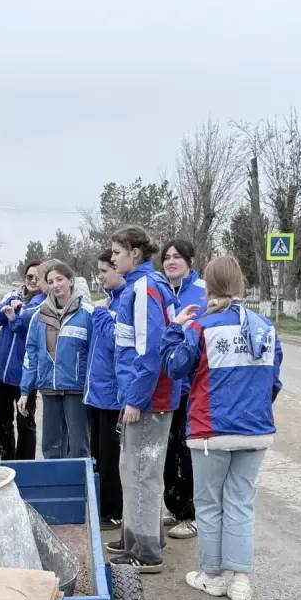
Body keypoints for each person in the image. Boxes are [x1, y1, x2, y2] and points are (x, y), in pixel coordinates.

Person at [161, 255, 283, 600]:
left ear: (208, 286)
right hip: (255, 431)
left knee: (210, 505)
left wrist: (175, 327)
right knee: (242, 503)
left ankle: (212, 576)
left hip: (210, 432)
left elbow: (174, 367)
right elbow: (273, 382)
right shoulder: (264, 326)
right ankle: (241, 579)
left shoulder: (201, 326)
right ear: (240, 283)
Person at [107, 225, 180, 574]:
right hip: (145, 394)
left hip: (148, 397)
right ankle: (137, 535)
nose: (112, 258)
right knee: (136, 469)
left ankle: (146, 552)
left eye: (117, 253)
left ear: (135, 252)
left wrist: (135, 398)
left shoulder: (145, 286)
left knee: (141, 472)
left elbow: (148, 350)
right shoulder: (148, 285)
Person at [160, 239, 208, 541]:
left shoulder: (201, 292)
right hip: (167, 385)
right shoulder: (164, 290)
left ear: (190, 261)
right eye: (166, 257)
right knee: (168, 448)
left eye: (177, 257)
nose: (170, 261)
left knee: (186, 450)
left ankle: (190, 513)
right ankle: (173, 504)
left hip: (191, 384)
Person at [20, 261, 91, 459]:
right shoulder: (38, 316)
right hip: (49, 389)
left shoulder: (88, 315)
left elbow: (95, 356)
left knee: (79, 446)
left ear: (71, 281)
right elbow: (31, 354)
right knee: (51, 446)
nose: (55, 285)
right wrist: (25, 390)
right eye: (50, 281)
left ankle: (79, 488)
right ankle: (56, 488)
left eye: (60, 279)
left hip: (76, 389)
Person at [83, 251, 125, 531]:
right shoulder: (109, 302)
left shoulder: (121, 304)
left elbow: (116, 343)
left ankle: (114, 510)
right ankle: (102, 505)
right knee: (99, 454)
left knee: (112, 458)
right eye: (98, 271)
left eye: (104, 271)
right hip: (96, 392)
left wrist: (100, 315)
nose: (100, 276)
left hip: (112, 395)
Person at [0, 260, 45, 460]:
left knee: (25, 425)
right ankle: (8, 464)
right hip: (2, 374)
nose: (33, 280)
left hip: (25, 376)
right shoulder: (14, 296)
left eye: (38, 277)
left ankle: (25, 468)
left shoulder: (43, 303)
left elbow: (26, 329)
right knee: (2, 422)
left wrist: (17, 314)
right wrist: (10, 300)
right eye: (29, 276)